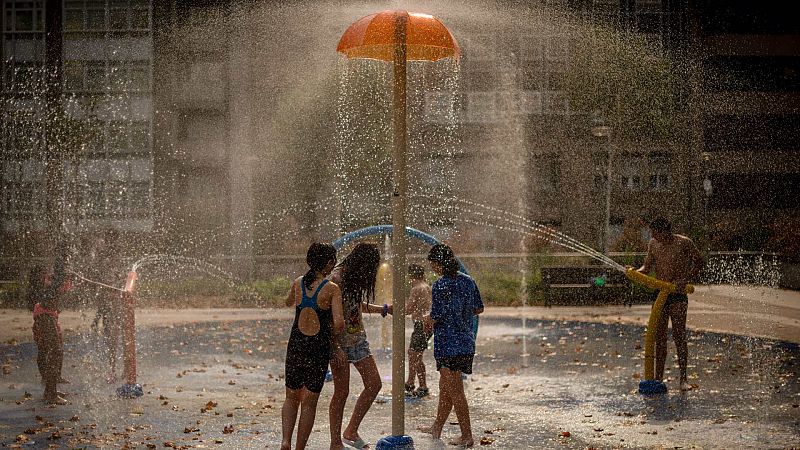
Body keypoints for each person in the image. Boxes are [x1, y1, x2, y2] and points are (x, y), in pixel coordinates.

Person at [419, 244, 484, 447]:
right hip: (465, 343)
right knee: (445, 387)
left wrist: (426, 319)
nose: (432, 269)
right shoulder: (468, 281)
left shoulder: (440, 285)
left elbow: (436, 316)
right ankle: (437, 426)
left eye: (433, 265)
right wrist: (460, 316)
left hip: (448, 345)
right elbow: (478, 309)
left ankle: (467, 436)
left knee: (456, 391)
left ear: (439, 264)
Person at [281, 243, 344, 450]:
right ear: (328, 263)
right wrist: (335, 343)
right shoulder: (332, 289)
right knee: (309, 401)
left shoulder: (298, 282)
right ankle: (299, 447)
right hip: (317, 347)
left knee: (291, 396)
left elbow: (288, 302)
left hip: (296, 344)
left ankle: (285, 441)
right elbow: (339, 323)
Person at [328, 242, 389, 450]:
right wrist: (334, 348)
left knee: (374, 384)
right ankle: (335, 441)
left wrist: (383, 309)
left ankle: (351, 431)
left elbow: (354, 306)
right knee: (341, 392)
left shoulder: (352, 278)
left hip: (358, 341)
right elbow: (327, 315)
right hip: (340, 344)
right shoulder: (336, 279)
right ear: (362, 264)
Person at [637, 217, 704, 391]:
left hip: (677, 293)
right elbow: (646, 267)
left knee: (679, 336)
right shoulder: (653, 244)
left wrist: (686, 279)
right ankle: (658, 379)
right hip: (660, 293)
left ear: (665, 231)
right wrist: (632, 272)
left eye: (655, 232)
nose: (653, 236)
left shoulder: (684, 243)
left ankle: (683, 378)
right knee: (659, 338)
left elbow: (700, 262)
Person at [31, 241, 73, 405]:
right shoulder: (60, 268)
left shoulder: (61, 271)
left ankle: (51, 387)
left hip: (49, 314)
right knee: (54, 350)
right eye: (67, 253)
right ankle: (50, 392)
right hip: (45, 315)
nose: (70, 256)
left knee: (53, 350)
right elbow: (57, 283)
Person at [404, 263, 432, 398]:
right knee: (415, 354)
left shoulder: (416, 288)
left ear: (411, 275)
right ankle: (411, 382)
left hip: (421, 324)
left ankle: (422, 385)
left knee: (414, 354)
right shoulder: (426, 285)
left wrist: (395, 309)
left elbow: (409, 309)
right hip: (426, 324)